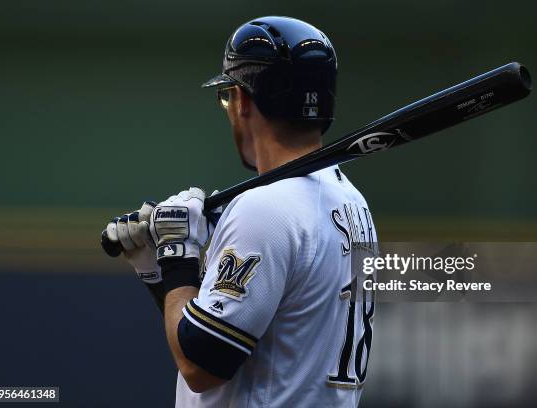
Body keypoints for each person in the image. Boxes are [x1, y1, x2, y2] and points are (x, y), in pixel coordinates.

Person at [104, 16, 377, 407]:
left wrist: (178, 257)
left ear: (245, 100)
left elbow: (202, 363)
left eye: (228, 95)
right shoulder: (353, 204)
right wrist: (159, 271)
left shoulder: (265, 209)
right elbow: (232, 330)